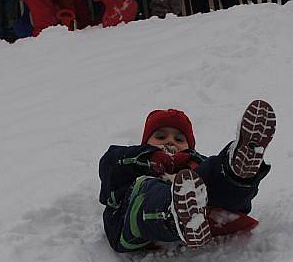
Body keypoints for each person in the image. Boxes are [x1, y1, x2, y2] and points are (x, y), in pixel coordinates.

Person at [98, 100, 276, 253]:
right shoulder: (133, 162)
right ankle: (175, 213)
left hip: (202, 211)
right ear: (145, 143)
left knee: (213, 174)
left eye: (179, 139)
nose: (170, 141)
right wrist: (149, 158)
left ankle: (238, 168)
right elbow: (110, 165)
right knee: (147, 187)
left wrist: (222, 176)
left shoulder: (195, 164)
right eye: (160, 136)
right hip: (133, 224)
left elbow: (234, 201)